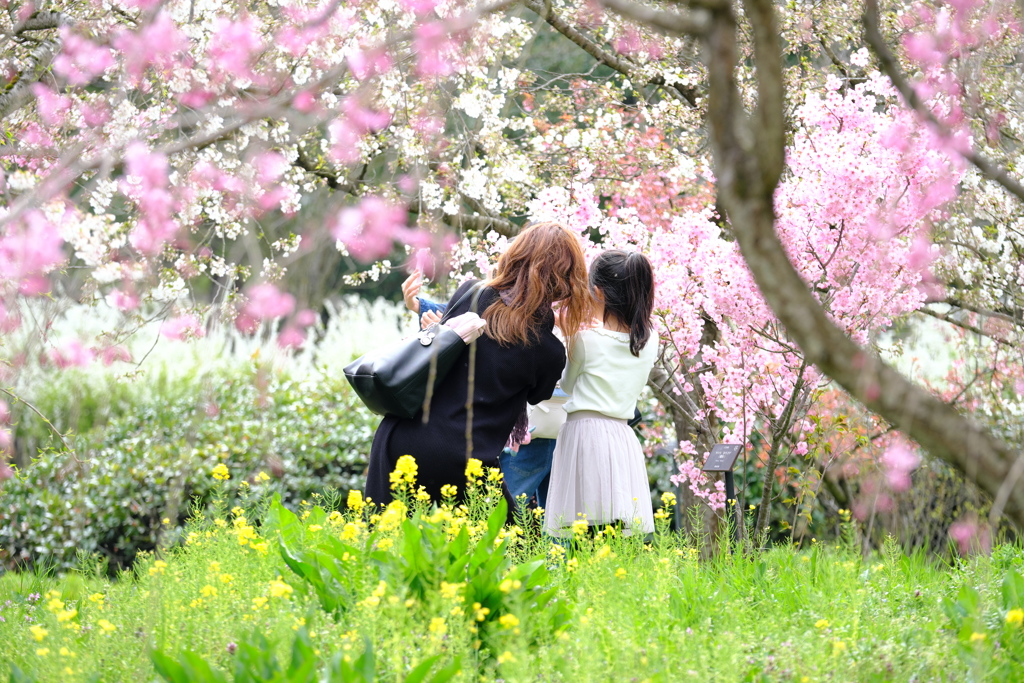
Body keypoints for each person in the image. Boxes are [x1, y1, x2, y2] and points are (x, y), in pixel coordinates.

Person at [365, 222, 591, 505]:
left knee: (385, 542)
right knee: (511, 545)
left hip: (400, 435)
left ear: (515, 256)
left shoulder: (472, 293)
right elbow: (539, 394)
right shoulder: (548, 350)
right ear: (566, 281)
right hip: (465, 457)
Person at [544, 250, 658, 538]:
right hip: (621, 436)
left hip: (585, 435)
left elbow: (566, 386)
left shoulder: (585, 340)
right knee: (613, 527)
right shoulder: (649, 340)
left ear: (597, 292)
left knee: (585, 528)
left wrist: (566, 335)